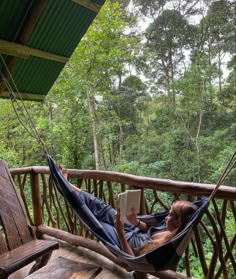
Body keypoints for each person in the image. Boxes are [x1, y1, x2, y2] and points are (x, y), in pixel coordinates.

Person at [59, 166, 197, 256]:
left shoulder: (165, 248)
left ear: (178, 223)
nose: (166, 217)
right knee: (101, 206)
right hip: (131, 228)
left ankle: (66, 188)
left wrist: (119, 231)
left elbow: (133, 261)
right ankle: (67, 184)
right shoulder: (168, 228)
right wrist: (136, 222)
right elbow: (147, 229)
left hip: (121, 238)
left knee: (95, 221)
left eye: (171, 215)